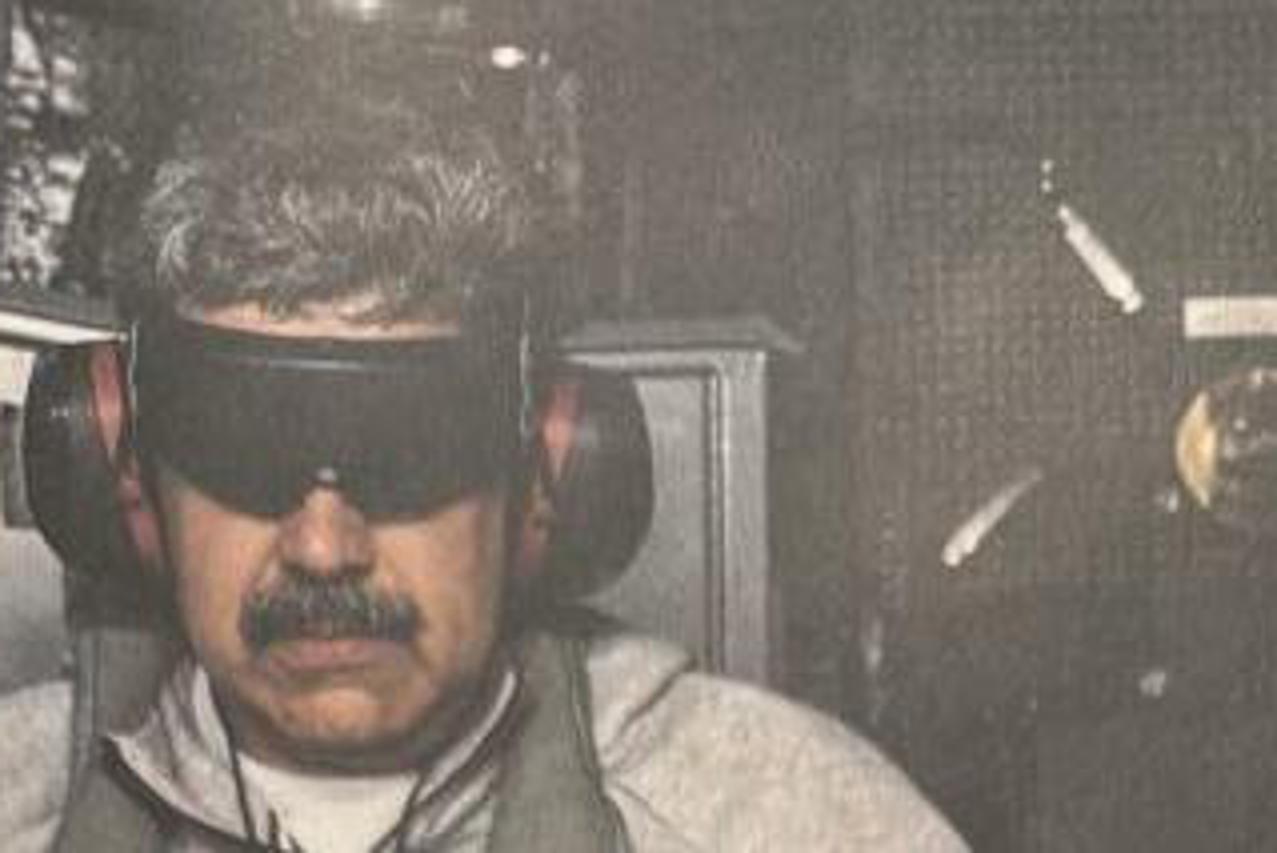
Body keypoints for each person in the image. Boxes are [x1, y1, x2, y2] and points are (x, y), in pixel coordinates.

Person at [0, 101, 967, 852]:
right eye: (242, 448)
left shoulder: (788, 817)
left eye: (406, 450)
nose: (324, 548)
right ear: (128, 477)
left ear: (545, 477)